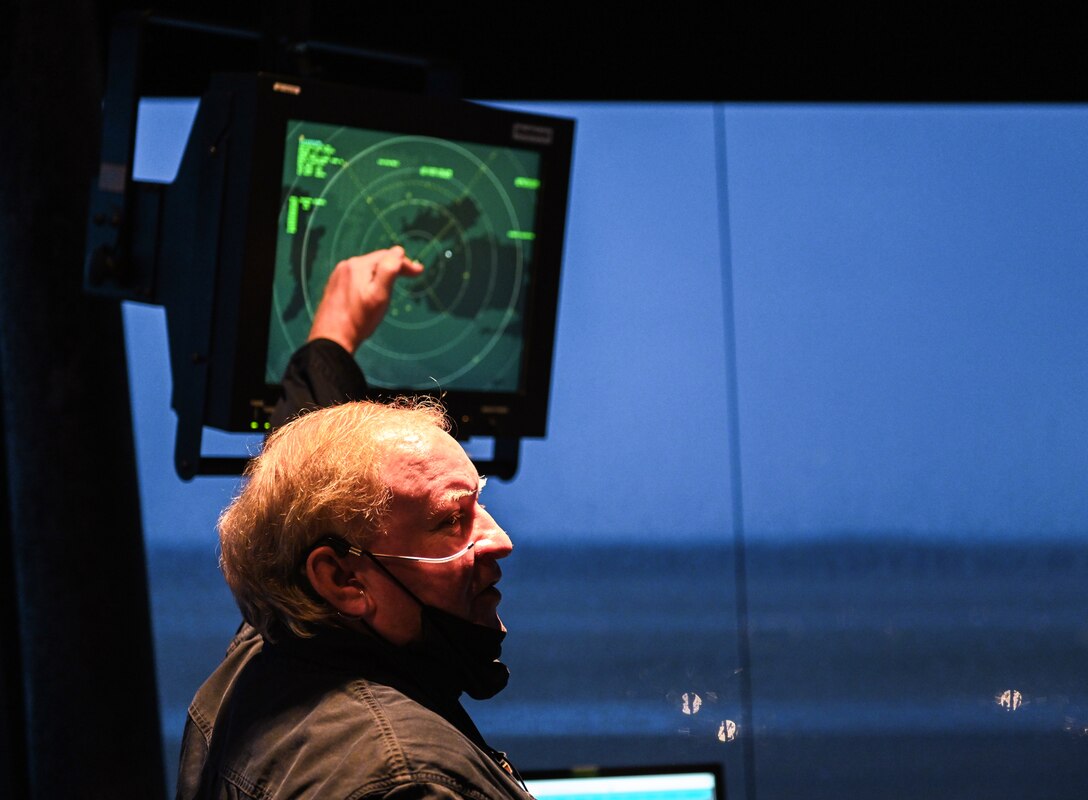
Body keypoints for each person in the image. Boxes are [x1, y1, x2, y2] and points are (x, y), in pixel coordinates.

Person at [176, 247, 532, 800]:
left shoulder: (274, 646)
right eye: (450, 519)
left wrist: (333, 338)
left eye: (479, 506)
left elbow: (300, 493)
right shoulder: (408, 783)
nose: (499, 541)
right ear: (343, 579)